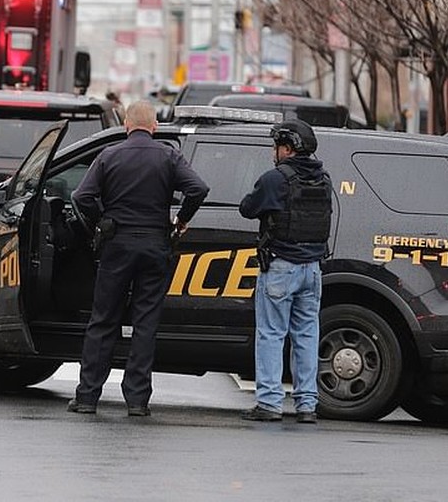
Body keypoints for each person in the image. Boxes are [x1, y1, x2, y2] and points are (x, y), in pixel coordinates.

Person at [67, 100, 209, 417]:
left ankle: (87, 397)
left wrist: (100, 222)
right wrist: (182, 219)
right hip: (155, 245)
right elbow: (198, 188)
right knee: (145, 324)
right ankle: (137, 401)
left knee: (103, 320)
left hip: (116, 245)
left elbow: (81, 197)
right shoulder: (169, 156)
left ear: (127, 125)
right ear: (155, 126)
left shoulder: (109, 155)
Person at [238, 119, 332, 424]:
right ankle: (307, 405)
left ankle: (269, 403)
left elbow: (248, 208)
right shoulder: (324, 179)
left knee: (271, 335)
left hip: (280, 268)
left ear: (288, 148)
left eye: (276, 146)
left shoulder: (275, 179)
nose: (273, 152)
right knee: (306, 336)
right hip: (312, 270)